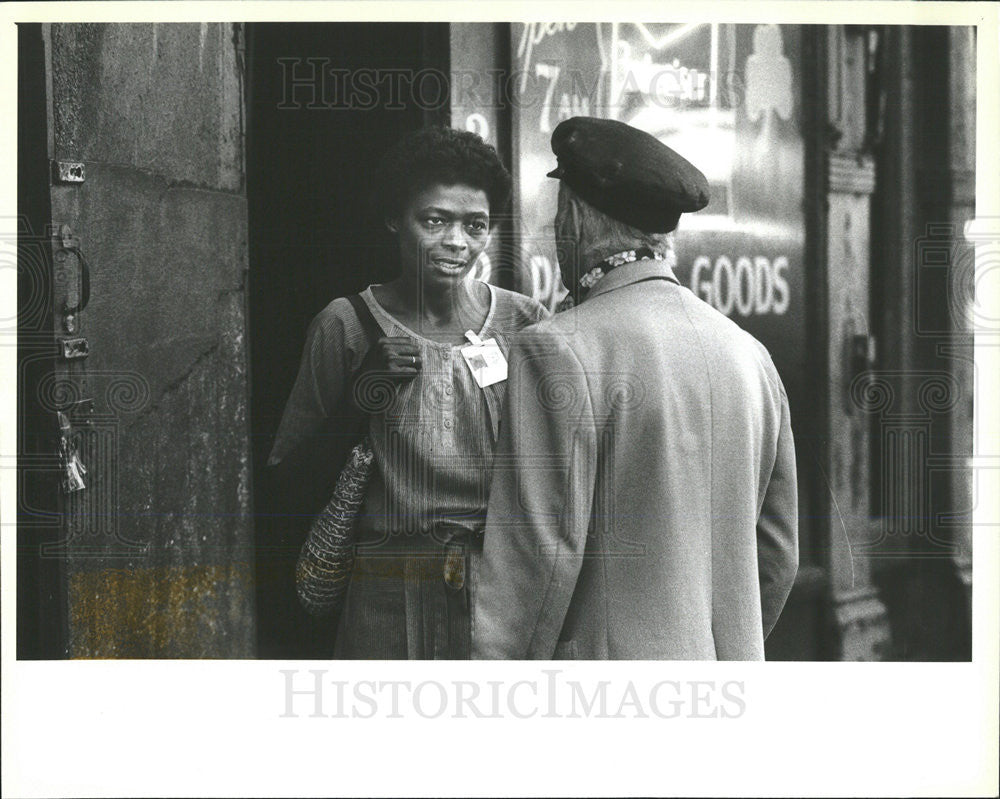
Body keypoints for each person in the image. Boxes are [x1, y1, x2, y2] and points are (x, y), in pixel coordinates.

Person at [472, 117, 799, 660]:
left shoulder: (557, 348)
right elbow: (779, 555)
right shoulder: (749, 353)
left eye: (558, 217)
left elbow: (536, 561)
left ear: (573, 219)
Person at [268, 126, 548, 659]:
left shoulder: (525, 322)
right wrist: (359, 398)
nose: (456, 243)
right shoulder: (346, 326)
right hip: (385, 595)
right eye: (435, 220)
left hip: (501, 590)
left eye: (475, 225)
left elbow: (559, 469)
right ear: (396, 219)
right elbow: (288, 481)